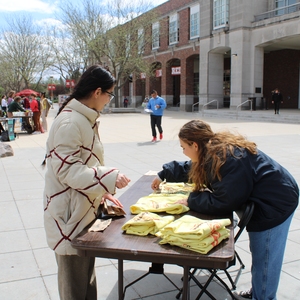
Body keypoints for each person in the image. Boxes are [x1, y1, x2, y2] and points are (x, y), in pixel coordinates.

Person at [151, 119, 299, 300]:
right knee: (260, 254)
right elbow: (192, 167)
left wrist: (191, 199)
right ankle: (258, 291)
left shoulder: (229, 159)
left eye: (184, 147)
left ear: (195, 145)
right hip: (266, 199)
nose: (183, 152)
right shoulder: (212, 151)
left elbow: (223, 201)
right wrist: (164, 173)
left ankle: (264, 296)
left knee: (265, 256)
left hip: (276, 203)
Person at [43, 65, 131, 300]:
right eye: (110, 94)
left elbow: (84, 163)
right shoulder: (71, 122)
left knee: (85, 280)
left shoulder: (83, 119)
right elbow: (68, 171)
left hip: (82, 211)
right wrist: (108, 178)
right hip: (70, 216)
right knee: (75, 286)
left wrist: (102, 192)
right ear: (97, 91)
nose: (109, 100)